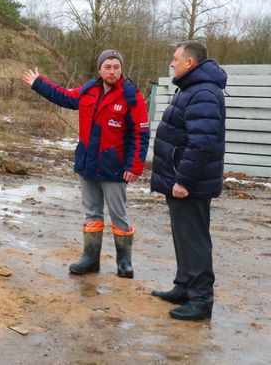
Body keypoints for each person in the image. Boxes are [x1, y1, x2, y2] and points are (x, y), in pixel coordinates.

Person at [22, 50, 150, 278]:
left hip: (115, 167)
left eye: (116, 67)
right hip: (88, 162)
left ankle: (124, 262)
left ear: (121, 69)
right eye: (108, 67)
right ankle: (90, 259)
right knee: (91, 213)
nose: (112, 71)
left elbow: (140, 134)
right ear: (100, 70)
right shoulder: (88, 90)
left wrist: (135, 166)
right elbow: (63, 96)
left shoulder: (131, 96)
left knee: (118, 214)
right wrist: (38, 83)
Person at [150, 41, 226, 321]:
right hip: (181, 180)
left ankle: (201, 300)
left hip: (190, 183)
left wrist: (183, 180)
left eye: (175, 59)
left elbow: (201, 144)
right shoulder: (193, 89)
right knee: (184, 236)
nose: (172, 63)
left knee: (194, 240)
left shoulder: (204, 92)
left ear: (189, 63)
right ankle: (184, 286)